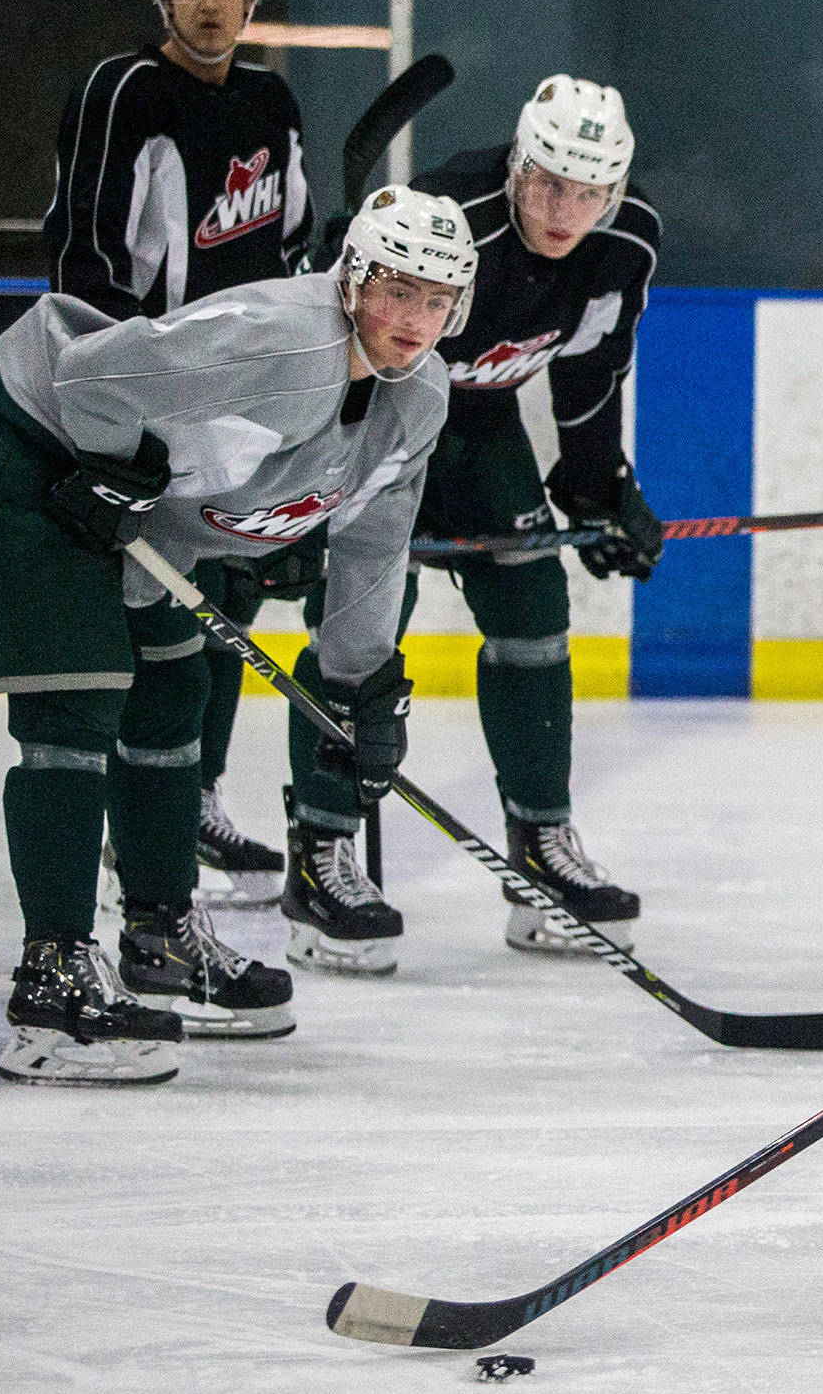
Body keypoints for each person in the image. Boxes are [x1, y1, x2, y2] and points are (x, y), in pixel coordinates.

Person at [0, 185, 475, 1084]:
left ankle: (160, 938)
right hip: (33, 451)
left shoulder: (418, 397)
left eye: (435, 299)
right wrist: (112, 469)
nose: (411, 318)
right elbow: (91, 374)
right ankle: (53, 984)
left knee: (173, 686)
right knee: (80, 700)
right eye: (393, 288)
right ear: (350, 281)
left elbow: (376, 545)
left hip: (127, 509)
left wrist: (358, 687)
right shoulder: (284, 338)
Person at [281, 73, 663, 972]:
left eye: (589, 192)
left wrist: (596, 480)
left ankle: (541, 852)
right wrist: (305, 486)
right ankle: (322, 855)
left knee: (534, 608)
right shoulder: (454, 218)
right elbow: (329, 348)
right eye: (548, 184)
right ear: (517, 164)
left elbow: (591, 364)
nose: (565, 210)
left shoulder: (624, 243)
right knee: (359, 631)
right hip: (378, 424)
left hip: (481, 426)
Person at [44, 0, 319, 897]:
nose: (210, 0)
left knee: (229, 599)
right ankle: (140, 808)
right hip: (152, 383)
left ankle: (190, 795)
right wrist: (112, 411)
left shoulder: (273, 103)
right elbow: (86, 251)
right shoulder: (124, 90)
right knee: (154, 609)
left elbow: (293, 249)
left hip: (239, 389)